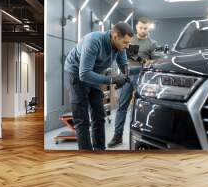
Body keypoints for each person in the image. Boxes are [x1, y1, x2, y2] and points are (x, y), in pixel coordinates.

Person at [64, 22, 133, 150]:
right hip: (76, 73)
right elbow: (84, 74)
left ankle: (100, 151)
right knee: (82, 119)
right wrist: (112, 79)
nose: (127, 46)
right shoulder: (93, 41)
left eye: (129, 43)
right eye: (125, 42)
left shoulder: (120, 46)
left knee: (99, 115)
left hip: (93, 73)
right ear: (116, 36)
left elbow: (123, 64)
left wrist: (126, 76)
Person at [108, 17, 160, 148]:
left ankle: (144, 138)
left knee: (143, 108)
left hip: (142, 77)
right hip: (126, 75)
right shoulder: (129, 39)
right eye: (141, 27)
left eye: (145, 28)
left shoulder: (152, 43)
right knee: (122, 107)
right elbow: (121, 53)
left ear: (149, 28)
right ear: (137, 27)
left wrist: (147, 62)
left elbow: (155, 62)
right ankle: (117, 136)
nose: (143, 30)